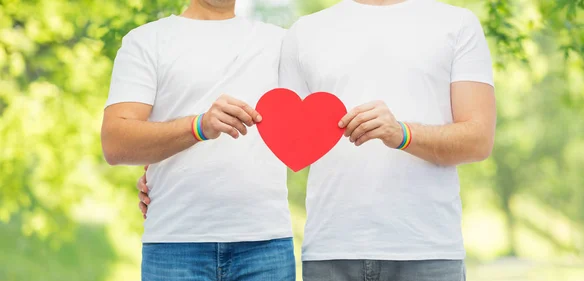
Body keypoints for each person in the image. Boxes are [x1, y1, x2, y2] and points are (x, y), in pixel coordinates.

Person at [140, 0, 496, 280]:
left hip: (429, 252)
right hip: (329, 254)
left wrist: (402, 133)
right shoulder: (305, 33)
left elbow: (478, 139)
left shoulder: (457, 25)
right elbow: (272, 129)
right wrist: (160, 171)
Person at [100, 0, 295, 280]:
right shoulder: (146, 41)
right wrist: (198, 126)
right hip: (175, 244)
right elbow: (115, 143)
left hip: (265, 244)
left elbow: (321, 118)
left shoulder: (280, 43)